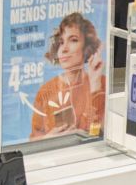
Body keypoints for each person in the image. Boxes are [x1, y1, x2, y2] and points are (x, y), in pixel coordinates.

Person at [28, 11, 105, 139]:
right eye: (61, 42)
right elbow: (33, 141)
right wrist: (48, 140)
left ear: (86, 47)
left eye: (73, 40)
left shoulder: (101, 83)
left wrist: (95, 86)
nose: (64, 49)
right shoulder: (45, 92)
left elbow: (97, 134)